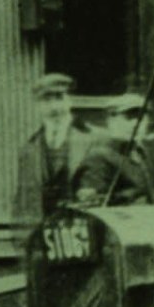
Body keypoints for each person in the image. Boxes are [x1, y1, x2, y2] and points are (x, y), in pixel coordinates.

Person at [16, 72, 96, 219]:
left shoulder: (95, 139)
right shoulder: (28, 149)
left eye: (59, 98)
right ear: (37, 105)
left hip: (84, 231)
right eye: (46, 100)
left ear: (70, 101)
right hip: (44, 233)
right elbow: (23, 202)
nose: (54, 107)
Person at [72, 93, 154, 206]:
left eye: (141, 118)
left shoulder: (139, 152)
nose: (136, 124)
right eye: (129, 118)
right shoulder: (99, 157)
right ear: (111, 121)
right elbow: (91, 205)